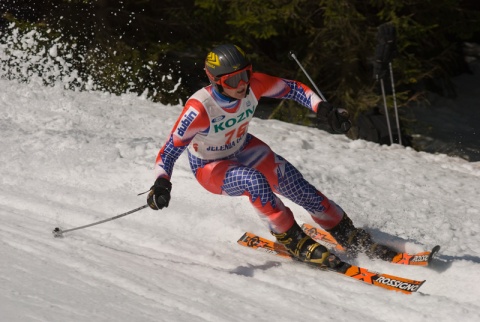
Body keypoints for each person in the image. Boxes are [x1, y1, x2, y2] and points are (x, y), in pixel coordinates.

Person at [147, 44, 397, 267]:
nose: (242, 84)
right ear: (215, 80)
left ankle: (345, 232)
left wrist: (322, 109)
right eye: (233, 81)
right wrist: (161, 183)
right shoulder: (199, 109)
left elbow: (294, 89)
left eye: (246, 74)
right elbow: (168, 151)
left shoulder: (253, 85)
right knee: (253, 182)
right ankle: (293, 240)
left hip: (243, 148)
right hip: (211, 167)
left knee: (298, 187)